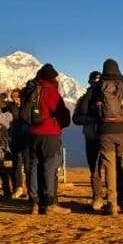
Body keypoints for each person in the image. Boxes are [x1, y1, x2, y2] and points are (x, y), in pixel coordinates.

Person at [92, 59, 123, 215]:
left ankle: (113, 205)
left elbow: (92, 108)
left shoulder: (99, 87)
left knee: (110, 169)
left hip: (106, 133)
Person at [27, 63, 72, 215]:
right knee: (49, 167)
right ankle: (50, 203)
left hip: (32, 133)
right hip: (49, 134)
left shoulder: (33, 90)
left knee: (34, 167)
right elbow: (63, 115)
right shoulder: (51, 91)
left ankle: (34, 202)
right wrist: (61, 124)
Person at [72, 71, 105, 210]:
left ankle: (102, 198)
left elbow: (76, 118)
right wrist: (91, 119)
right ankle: (101, 197)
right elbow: (76, 118)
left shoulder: (85, 98)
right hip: (99, 136)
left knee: (98, 169)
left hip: (98, 136)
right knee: (98, 169)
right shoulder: (85, 99)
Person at [0, 88, 28, 199]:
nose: (15, 99)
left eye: (17, 96)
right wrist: (4, 94)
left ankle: (30, 188)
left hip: (27, 136)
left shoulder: (27, 105)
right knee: (17, 162)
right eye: (13, 97)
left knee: (29, 164)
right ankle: (18, 187)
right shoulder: (11, 106)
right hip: (16, 136)